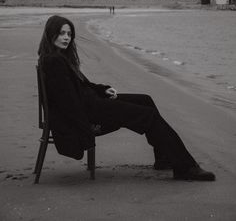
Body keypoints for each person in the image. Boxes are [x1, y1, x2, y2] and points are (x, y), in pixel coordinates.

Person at [38, 15, 215, 181]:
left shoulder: (57, 58)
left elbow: (81, 86)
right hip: (89, 113)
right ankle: (185, 167)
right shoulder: (55, 62)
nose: (66, 38)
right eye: (61, 33)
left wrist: (102, 90)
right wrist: (87, 128)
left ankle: (164, 159)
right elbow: (69, 103)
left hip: (92, 105)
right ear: (50, 33)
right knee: (148, 115)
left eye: (69, 34)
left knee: (145, 100)